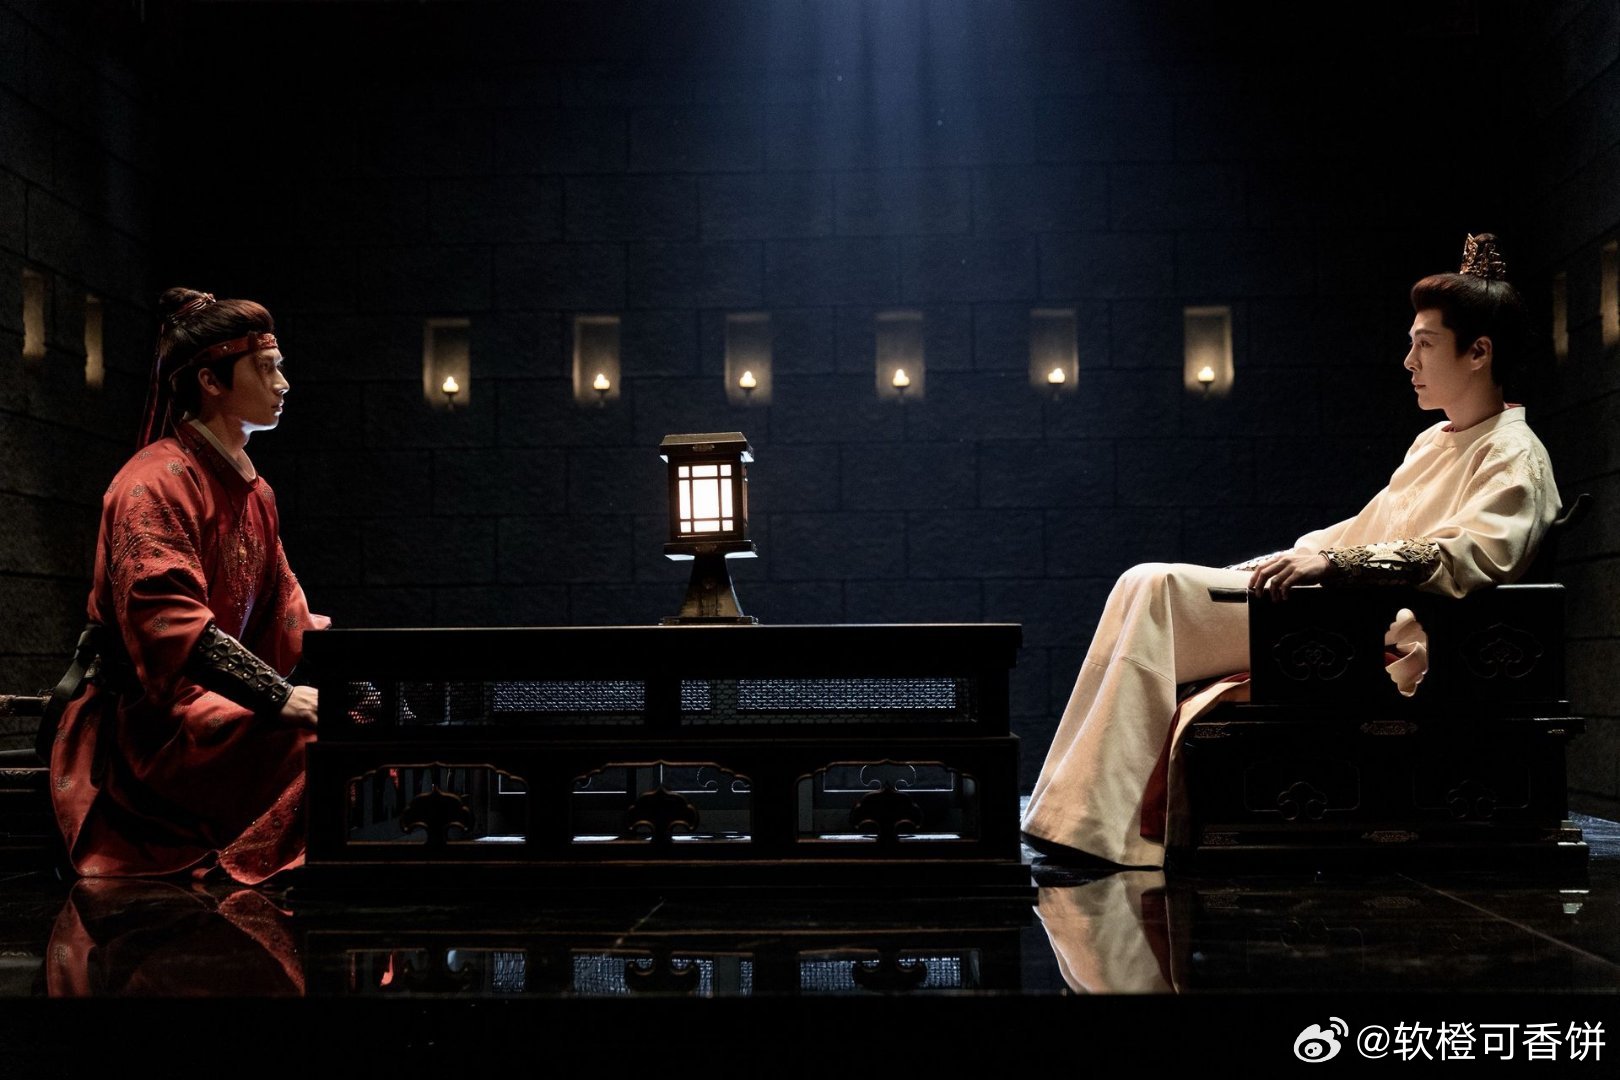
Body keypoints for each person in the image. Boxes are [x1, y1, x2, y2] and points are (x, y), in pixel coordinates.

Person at [1021, 234, 1562, 869]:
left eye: (1425, 344)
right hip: (1342, 608)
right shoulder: (1434, 442)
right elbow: (1365, 527)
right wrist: (1288, 560)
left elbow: (1469, 554)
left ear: (1479, 352)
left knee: (1155, 586)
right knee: (1141, 582)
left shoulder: (1514, 456)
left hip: (1381, 634)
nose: (1408, 360)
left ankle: (1101, 829)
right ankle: (1077, 816)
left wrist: (1335, 565)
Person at [49, 288, 328, 884]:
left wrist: (359, 681)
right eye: (266, 368)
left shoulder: (256, 493)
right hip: (148, 725)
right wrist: (280, 697)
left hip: (212, 705)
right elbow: (170, 627)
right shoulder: (154, 482)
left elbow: (288, 611)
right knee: (317, 743)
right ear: (210, 380)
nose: (283, 384)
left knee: (356, 723)